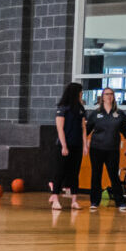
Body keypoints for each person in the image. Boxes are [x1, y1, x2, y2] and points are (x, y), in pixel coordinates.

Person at [86, 88, 126, 208]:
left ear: (114, 97)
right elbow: (86, 131)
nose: (109, 96)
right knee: (96, 174)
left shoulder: (120, 114)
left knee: (113, 175)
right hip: (96, 149)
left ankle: (120, 202)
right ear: (102, 97)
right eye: (107, 94)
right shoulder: (95, 114)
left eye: (111, 94)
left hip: (112, 149)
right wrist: (85, 144)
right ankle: (94, 201)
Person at [49, 81, 85, 212]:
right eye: (80, 91)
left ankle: (74, 201)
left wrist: (85, 145)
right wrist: (64, 146)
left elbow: (83, 128)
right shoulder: (63, 108)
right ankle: (55, 198)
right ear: (75, 93)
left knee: (75, 173)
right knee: (60, 172)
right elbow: (60, 129)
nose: (82, 94)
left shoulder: (80, 109)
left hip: (77, 145)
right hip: (64, 145)